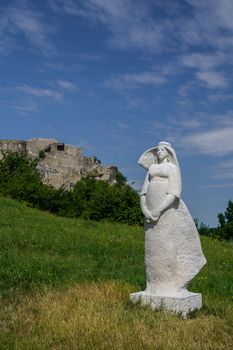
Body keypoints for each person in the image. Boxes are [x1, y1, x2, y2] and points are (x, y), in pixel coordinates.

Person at [138, 141, 206, 297]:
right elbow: (143, 192)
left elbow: (174, 193)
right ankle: (152, 285)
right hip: (149, 214)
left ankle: (170, 285)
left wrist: (158, 210)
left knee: (167, 244)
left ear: (168, 153)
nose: (159, 152)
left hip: (166, 212)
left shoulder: (172, 169)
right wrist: (145, 210)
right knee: (152, 248)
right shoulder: (152, 169)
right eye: (157, 150)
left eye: (162, 150)